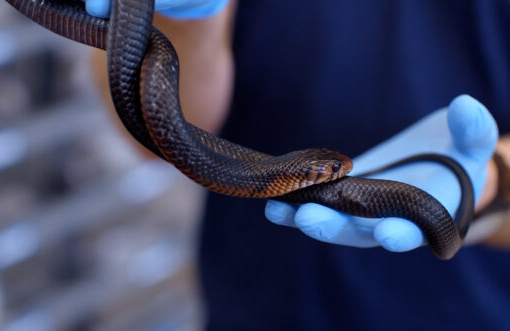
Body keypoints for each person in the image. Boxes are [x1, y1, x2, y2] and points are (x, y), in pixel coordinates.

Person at [87, 0, 510, 329]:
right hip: (256, 306)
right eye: (326, 173)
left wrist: (492, 184)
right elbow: (152, 137)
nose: (334, 174)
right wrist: (189, 20)